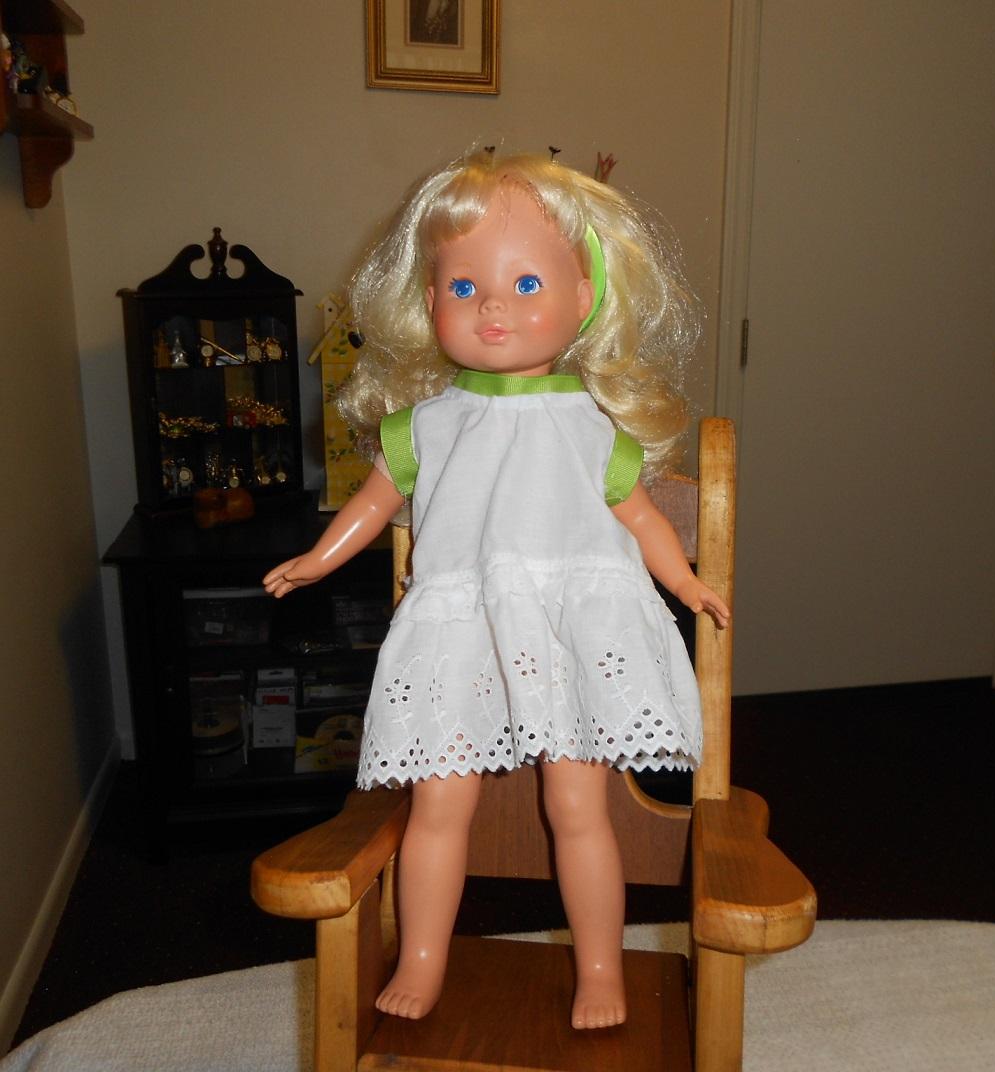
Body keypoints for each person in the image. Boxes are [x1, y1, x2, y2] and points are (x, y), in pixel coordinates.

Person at [263, 149, 730, 1030]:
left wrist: (685, 582)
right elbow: (372, 506)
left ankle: (600, 967)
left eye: (525, 283)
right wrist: (319, 558)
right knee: (438, 805)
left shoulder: (593, 428)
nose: (493, 307)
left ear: (584, 298)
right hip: (459, 634)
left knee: (578, 806)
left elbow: (641, 520)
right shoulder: (425, 427)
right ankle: (424, 956)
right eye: (464, 286)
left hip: (569, 635)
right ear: (428, 299)